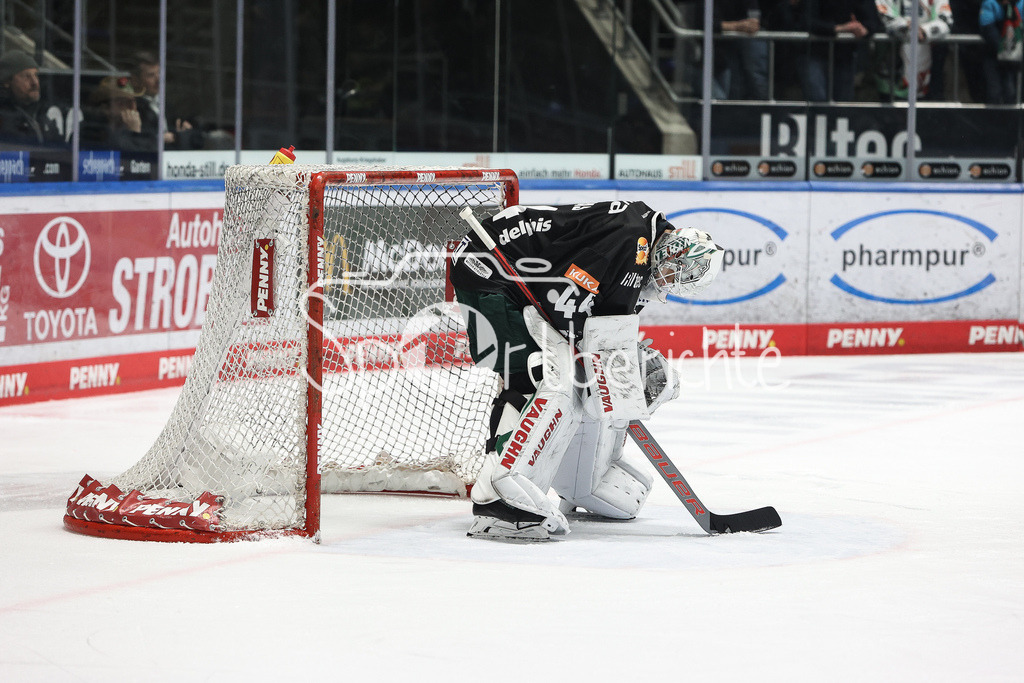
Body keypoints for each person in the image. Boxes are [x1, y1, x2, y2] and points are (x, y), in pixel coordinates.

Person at [449, 201, 724, 541]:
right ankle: (497, 494)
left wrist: (612, 367)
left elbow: (602, 322)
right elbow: (564, 297)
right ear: (671, 252)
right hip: (487, 265)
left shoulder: (642, 243)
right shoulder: (630, 240)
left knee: (565, 372)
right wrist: (599, 361)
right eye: (672, 273)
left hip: (511, 269)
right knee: (536, 376)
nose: (667, 283)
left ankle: (583, 482)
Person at [796, 0, 884, 102]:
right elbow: (806, 20)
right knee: (817, 100)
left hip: (844, 55)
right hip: (814, 53)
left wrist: (864, 29)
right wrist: (837, 28)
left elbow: (872, 20)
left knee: (842, 103)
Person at [875, 0, 954, 98]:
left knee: (928, 105)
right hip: (893, 65)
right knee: (891, 106)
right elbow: (885, 17)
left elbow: (946, 20)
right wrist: (907, 28)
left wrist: (925, 31)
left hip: (928, 65)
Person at [128, 51, 204, 150]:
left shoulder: (168, 105)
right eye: (151, 75)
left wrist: (178, 135)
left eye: (159, 73)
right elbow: (140, 142)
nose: (158, 79)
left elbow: (193, 137)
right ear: (135, 80)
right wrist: (165, 138)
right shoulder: (131, 107)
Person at [0, 50, 66, 147]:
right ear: (7, 81)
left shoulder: (42, 115)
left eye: (36, 75)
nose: (35, 82)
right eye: (26, 76)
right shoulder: (4, 119)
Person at [80, 75, 152, 151]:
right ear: (105, 108)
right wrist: (133, 134)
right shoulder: (89, 130)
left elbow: (147, 157)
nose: (131, 107)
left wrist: (136, 132)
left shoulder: (145, 128)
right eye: (122, 102)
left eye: (133, 101)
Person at [978, 0, 1024, 103]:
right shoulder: (990, 3)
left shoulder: (1021, 4)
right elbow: (988, 29)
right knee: (994, 92)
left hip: (1018, 56)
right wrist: (1004, 50)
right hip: (994, 55)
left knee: (1013, 93)